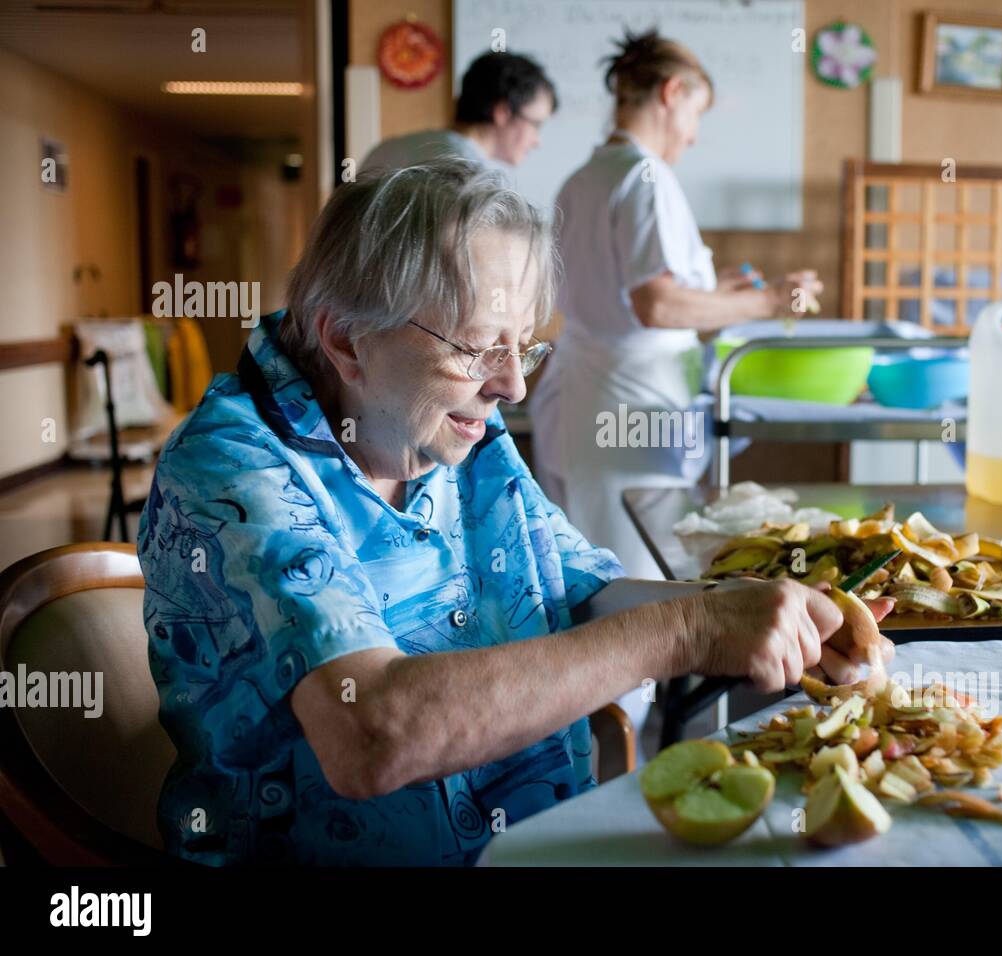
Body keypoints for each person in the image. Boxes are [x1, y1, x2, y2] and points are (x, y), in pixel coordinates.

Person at [136, 160, 892, 866]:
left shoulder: (446, 420)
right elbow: (369, 731)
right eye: (476, 348)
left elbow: (577, 589)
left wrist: (760, 613)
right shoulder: (233, 466)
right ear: (346, 339)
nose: (512, 388)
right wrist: (689, 631)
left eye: (522, 348)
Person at [529, 28, 823, 584]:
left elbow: (630, 292)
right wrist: (770, 301)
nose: (692, 136)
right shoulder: (646, 178)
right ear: (671, 93)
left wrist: (732, 290)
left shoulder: (582, 179)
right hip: (629, 410)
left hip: (582, 401)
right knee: (634, 585)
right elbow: (657, 305)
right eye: (696, 113)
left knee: (591, 574)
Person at [361, 51, 556, 174]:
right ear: (502, 113)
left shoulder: (387, 150)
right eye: (536, 125)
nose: (538, 141)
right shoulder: (476, 180)